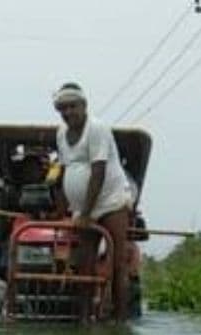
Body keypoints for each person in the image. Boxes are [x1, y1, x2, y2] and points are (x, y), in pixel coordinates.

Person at [53, 82, 134, 321]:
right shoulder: (61, 133)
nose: (68, 112)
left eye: (72, 106)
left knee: (117, 263)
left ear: (84, 105)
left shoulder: (97, 128)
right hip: (81, 208)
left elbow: (98, 172)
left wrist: (87, 213)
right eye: (62, 108)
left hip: (110, 202)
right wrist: (64, 211)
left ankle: (120, 321)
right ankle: (84, 318)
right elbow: (64, 170)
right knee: (84, 264)